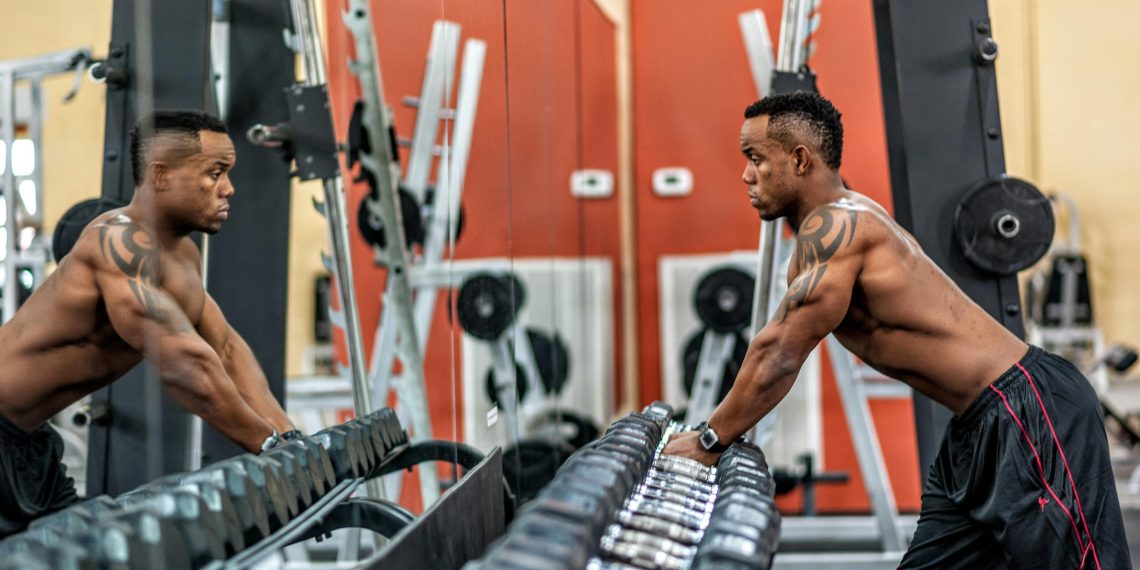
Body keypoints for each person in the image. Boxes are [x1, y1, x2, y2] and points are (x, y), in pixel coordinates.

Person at [662, 92, 1129, 568]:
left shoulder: (837, 227)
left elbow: (780, 351)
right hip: (976, 427)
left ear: (800, 159)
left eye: (756, 159)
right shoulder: (842, 218)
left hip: (1027, 410)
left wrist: (709, 441)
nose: (746, 174)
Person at [0, 110, 297, 537]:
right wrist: (266, 446)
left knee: (85, 557)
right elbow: (183, 363)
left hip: (29, 444)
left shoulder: (183, 258)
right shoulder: (117, 240)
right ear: (161, 176)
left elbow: (226, 350)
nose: (228, 188)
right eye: (215, 173)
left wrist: (291, 441)